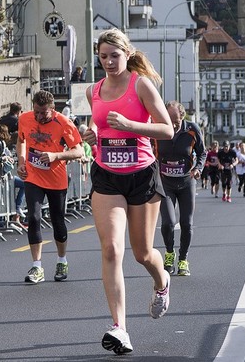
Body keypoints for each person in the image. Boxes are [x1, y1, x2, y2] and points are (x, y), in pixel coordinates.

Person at [80, 28, 174, 355]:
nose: (108, 62)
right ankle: (120, 327)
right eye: (103, 56)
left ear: (127, 53)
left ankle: (161, 282)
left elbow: (167, 128)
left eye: (114, 55)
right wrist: (90, 134)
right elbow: (97, 124)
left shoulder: (140, 85)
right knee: (111, 250)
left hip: (142, 176)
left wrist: (132, 127)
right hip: (106, 175)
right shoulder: (94, 89)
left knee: (142, 253)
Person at [16, 90, 84, 283]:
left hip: (56, 178)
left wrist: (56, 156)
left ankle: (62, 260)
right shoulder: (25, 119)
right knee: (34, 217)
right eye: (36, 111)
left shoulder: (64, 123)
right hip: (33, 176)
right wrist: (20, 161)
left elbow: (78, 151)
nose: (38, 116)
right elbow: (21, 140)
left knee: (57, 221)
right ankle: (37, 267)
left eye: (43, 113)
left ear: (52, 110)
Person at [156, 101, 204, 277]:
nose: (172, 123)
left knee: (186, 223)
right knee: (168, 223)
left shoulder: (192, 129)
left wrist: (198, 168)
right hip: (165, 182)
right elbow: (152, 152)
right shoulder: (159, 129)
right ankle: (169, 253)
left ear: (182, 116)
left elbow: (202, 152)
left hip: (186, 181)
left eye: (175, 119)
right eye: (168, 118)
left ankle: (183, 259)